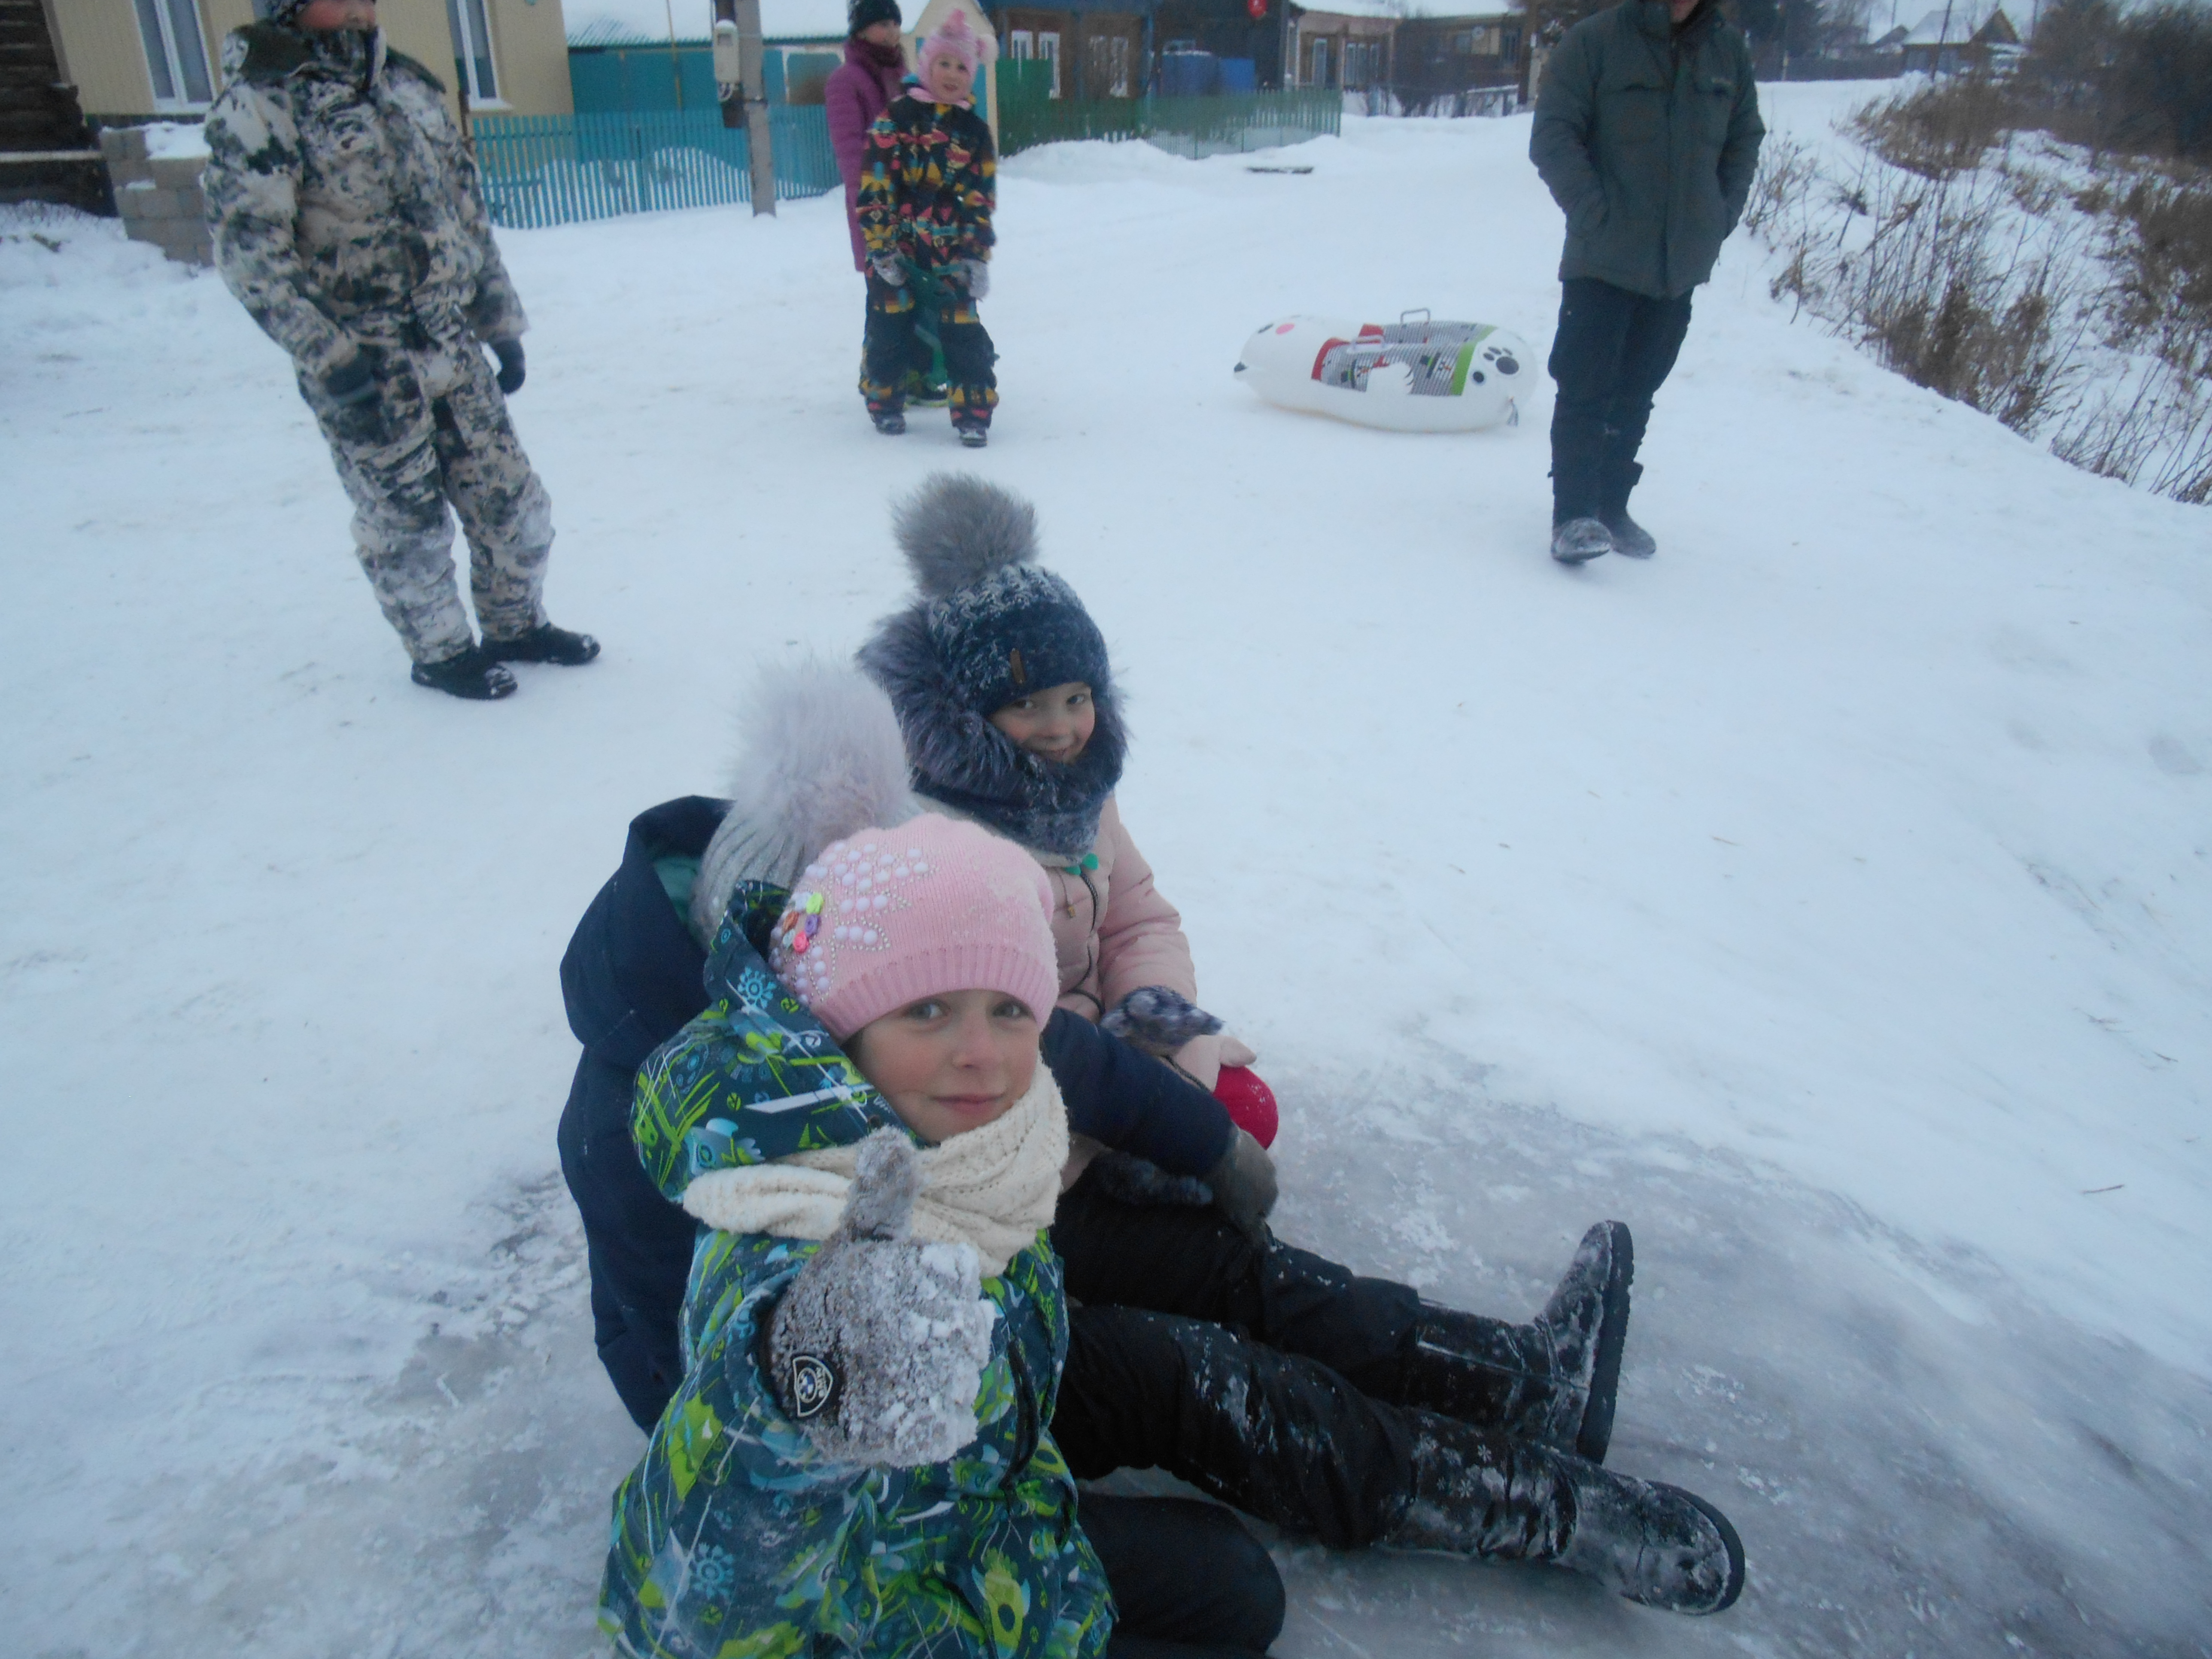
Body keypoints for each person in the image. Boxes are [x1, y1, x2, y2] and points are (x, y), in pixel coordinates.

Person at [563, 659, 1746, 1617]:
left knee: (1214, 1296)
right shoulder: (670, 1130)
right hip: (885, 1444)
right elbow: (708, 1408)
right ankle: (1532, 1507)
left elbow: (1059, 1051)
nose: (967, 1042)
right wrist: (907, 1434)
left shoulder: (873, 962)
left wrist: (1205, 1145)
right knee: (1202, 1439)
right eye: (918, 1010)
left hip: (994, 1269)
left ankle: (1521, 1400)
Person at [598, 812, 1287, 1659]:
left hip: (976, 1536)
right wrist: (800, 1388)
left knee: (1239, 1590)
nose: (981, 1053)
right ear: (840, 1030)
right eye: (927, 1009)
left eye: (1008, 1008)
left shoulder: (973, 1155)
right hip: (890, 1621)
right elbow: (683, 1613)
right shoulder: (796, 1237)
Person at [201, 0, 599, 700]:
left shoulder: (407, 85)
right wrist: (330, 358)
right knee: (406, 523)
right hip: (366, 351)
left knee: (514, 503)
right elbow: (250, 252)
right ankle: (441, 654)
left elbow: (464, 210)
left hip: (448, 336)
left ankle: (514, 625)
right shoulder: (263, 102)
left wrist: (496, 319)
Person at [1527, 0, 1764, 565]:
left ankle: (1612, 507)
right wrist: (1593, 212)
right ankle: (1574, 515)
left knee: (1638, 389)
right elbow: (1553, 135)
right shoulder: (1596, 42)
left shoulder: (1726, 52)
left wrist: (1720, 215)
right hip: (1603, 256)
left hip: (1677, 262)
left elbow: (1744, 139)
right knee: (1586, 386)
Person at [856, 9, 998, 446]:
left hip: (950, 250)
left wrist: (976, 255)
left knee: (962, 328)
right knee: (890, 323)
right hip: (897, 244)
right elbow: (876, 184)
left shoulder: (974, 132)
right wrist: (881, 246)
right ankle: (885, 401)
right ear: (926, 66)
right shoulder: (896, 119)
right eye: (944, 63)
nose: (952, 74)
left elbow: (979, 199)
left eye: (962, 67)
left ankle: (973, 412)